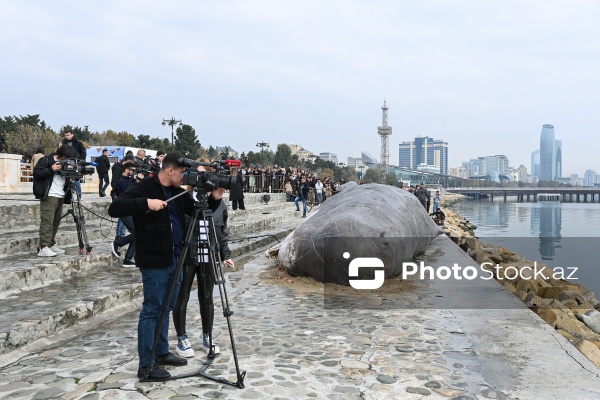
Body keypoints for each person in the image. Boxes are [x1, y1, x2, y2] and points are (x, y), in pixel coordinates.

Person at [108, 152, 194, 382]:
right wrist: (146, 203)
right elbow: (115, 207)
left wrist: (213, 197)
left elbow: (195, 211)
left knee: (167, 307)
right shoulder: (145, 187)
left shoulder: (178, 191)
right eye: (182, 172)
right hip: (154, 260)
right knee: (152, 310)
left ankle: (161, 351)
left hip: (176, 257)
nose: (184, 176)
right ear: (170, 170)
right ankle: (146, 365)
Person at [173, 160, 235, 358]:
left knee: (207, 298)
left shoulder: (219, 205)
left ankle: (207, 335)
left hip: (208, 254)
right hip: (187, 254)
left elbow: (222, 232)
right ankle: (181, 337)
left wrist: (225, 254)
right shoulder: (184, 199)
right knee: (181, 296)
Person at [33, 144, 78, 257]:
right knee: (47, 221)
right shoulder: (46, 160)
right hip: (49, 194)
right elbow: (36, 173)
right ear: (62, 155)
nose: (68, 160)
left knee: (56, 221)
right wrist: (51, 169)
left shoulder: (67, 163)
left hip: (60, 194)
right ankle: (43, 247)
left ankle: (51, 244)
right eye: (67, 158)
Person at [111, 165, 139, 267]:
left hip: (131, 210)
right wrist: (137, 182)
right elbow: (131, 192)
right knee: (138, 233)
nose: (133, 173)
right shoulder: (122, 182)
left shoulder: (129, 181)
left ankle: (128, 259)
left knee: (138, 234)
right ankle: (118, 243)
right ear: (127, 170)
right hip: (124, 211)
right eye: (132, 170)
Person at [61, 130, 86, 198]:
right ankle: (67, 197)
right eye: (65, 135)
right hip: (66, 163)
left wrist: (80, 161)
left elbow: (83, 153)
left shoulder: (78, 143)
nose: (67, 137)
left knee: (76, 180)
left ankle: (79, 197)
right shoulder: (63, 143)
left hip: (76, 163)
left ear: (72, 135)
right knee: (65, 180)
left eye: (68, 135)